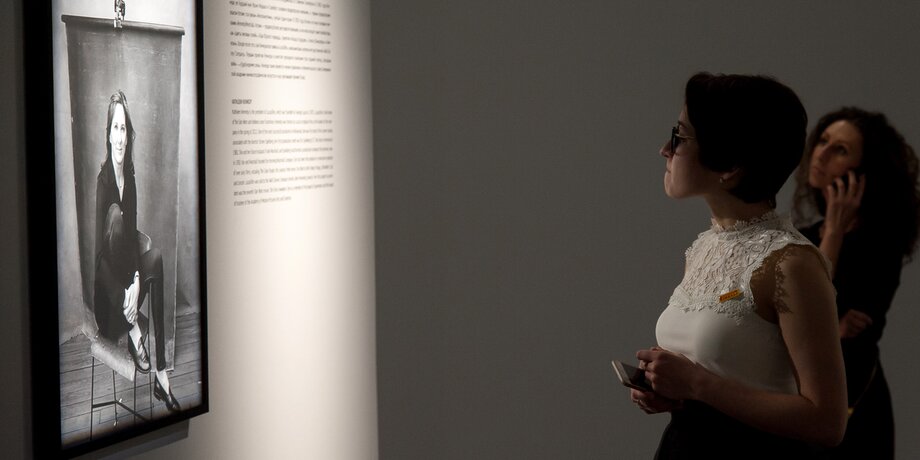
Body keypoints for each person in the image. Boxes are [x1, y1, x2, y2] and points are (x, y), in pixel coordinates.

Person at [629, 73, 848, 459]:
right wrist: (671, 392)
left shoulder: (791, 263)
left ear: (729, 166)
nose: (665, 149)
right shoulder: (705, 247)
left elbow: (827, 422)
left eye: (680, 137)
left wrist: (696, 384)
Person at [793, 107, 920, 459]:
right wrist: (831, 327)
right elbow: (793, 322)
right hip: (798, 399)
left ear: (862, 173)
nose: (821, 154)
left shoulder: (881, 245)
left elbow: (808, 311)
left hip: (854, 403)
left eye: (840, 150)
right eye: (823, 141)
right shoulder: (799, 238)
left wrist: (834, 231)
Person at [93, 90, 181, 413]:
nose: (120, 138)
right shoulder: (103, 184)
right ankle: (133, 331)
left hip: (127, 294)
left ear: (129, 136)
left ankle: (161, 375)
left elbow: (130, 242)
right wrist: (124, 296)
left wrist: (135, 282)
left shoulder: (129, 179)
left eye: (124, 129)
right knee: (115, 216)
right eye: (115, 129)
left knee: (155, 256)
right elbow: (100, 262)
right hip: (110, 307)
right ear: (108, 135)